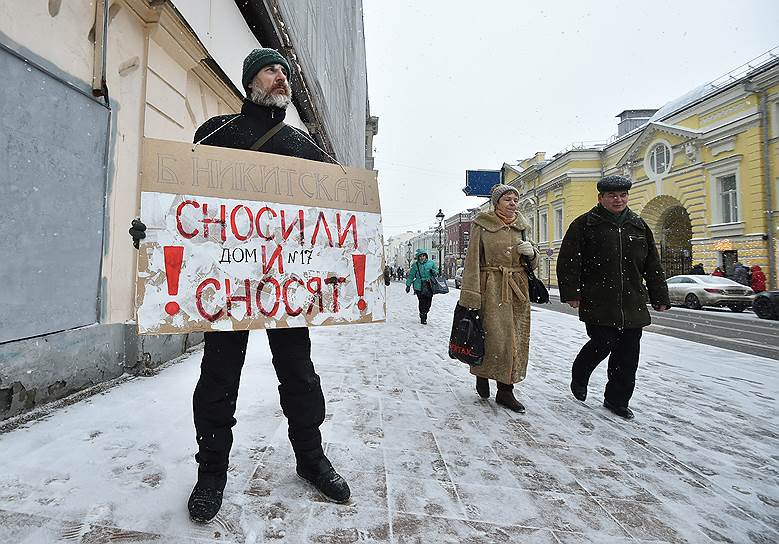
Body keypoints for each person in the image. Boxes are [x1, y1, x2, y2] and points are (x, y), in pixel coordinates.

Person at [130, 48, 350, 523]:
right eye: (272, 69)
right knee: (218, 379)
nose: (282, 76)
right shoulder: (215, 134)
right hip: (228, 286)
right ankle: (211, 474)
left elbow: (334, 218)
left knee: (300, 375)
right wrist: (152, 225)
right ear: (251, 79)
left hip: (287, 284)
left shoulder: (306, 149)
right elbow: (185, 202)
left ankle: (311, 460)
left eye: (285, 71)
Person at [557, 175, 670, 420]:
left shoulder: (638, 225)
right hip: (598, 298)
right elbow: (568, 261)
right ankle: (581, 373)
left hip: (633, 302)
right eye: (612, 196)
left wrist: (659, 294)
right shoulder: (585, 224)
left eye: (622, 195)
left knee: (628, 355)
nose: (618, 200)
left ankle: (617, 400)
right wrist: (572, 293)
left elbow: (652, 264)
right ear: (601, 198)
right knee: (602, 342)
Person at [458, 184, 539, 413]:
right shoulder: (482, 225)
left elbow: (531, 264)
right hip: (490, 287)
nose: (513, 203)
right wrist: (471, 295)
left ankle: (506, 390)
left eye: (516, 199)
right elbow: (472, 261)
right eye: (508, 199)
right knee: (492, 337)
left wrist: (531, 253)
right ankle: (482, 373)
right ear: (497, 203)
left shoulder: (522, 227)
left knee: (514, 339)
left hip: (517, 289)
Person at [405, 249, 438, 324]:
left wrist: (434, 271)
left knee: (428, 301)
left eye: (423, 256)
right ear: (418, 257)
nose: (422, 257)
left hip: (429, 285)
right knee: (422, 301)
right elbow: (411, 275)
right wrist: (408, 285)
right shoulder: (415, 265)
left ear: (426, 256)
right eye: (420, 256)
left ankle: (425, 311)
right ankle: (423, 316)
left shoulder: (431, 263)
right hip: (419, 285)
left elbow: (437, 272)